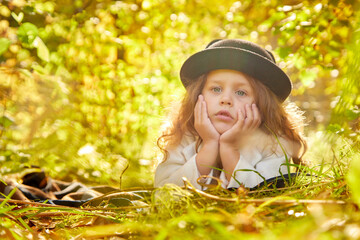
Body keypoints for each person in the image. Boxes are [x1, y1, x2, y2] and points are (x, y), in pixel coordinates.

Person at [154, 39, 307, 190]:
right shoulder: (182, 136)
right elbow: (163, 195)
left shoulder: (273, 144)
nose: (226, 99)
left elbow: (267, 195)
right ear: (198, 96)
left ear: (262, 105)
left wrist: (229, 149)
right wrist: (209, 146)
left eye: (241, 92)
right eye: (216, 89)